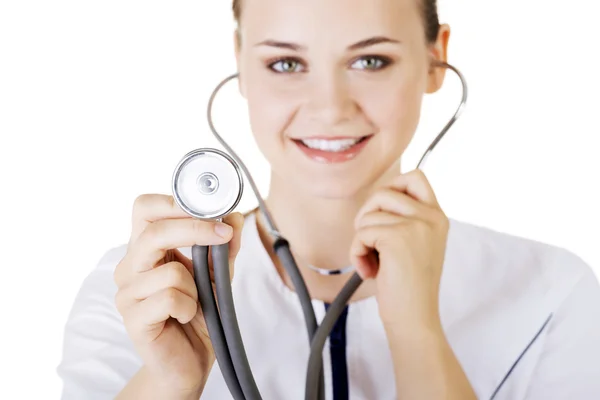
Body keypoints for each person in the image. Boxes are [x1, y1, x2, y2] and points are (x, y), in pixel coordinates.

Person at [57, 0, 600, 399]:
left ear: (436, 60)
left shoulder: (551, 299)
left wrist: (417, 336)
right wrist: (168, 380)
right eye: (287, 64)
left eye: (370, 61)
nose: (329, 108)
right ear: (241, 61)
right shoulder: (141, 293)